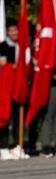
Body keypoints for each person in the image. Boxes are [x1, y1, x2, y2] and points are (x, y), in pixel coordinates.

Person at [0, 19, 27, 160]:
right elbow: (3, 66)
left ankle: (17, 145)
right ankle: (3, 147)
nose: (14, 33)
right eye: (11, 30)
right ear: (7, 32)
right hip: (5, 88)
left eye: (16, 30)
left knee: (18, 118)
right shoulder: (2, 46)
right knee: (4, 117)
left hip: (18, 88)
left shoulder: (22, 46)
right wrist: (14, 67)